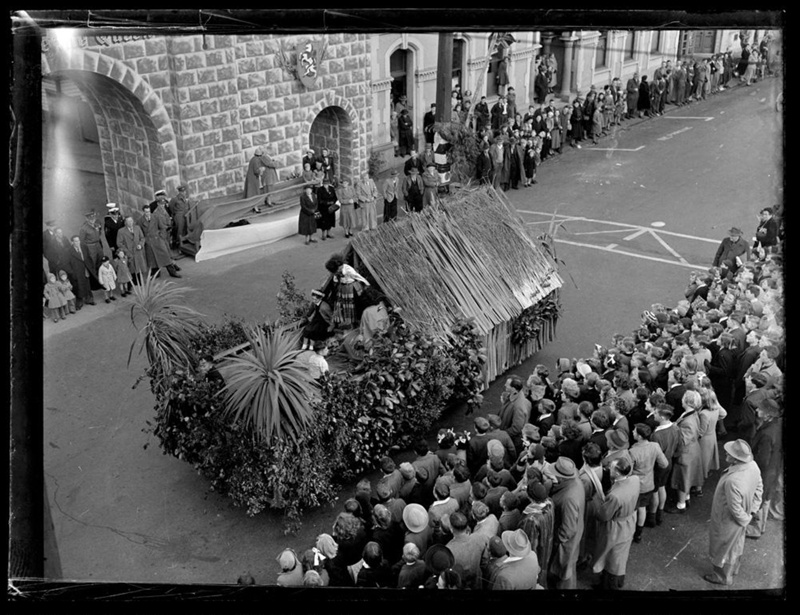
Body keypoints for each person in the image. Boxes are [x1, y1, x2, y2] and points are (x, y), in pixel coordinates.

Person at [704, 439, 763, 586]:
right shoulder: (753, 466)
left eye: (728, 453)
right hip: (744, 515)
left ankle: (721, 577)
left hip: (727, 519)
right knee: (736, 545)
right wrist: (752, 511)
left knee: (723, 547)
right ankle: (733, 570)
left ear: (736, 458)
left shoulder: (733, 480)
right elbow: (759, 488)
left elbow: (735, 508)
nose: (725, 453)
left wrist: (745, 519)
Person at [591, 458, 640, 590]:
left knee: (609, 556)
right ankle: (618, 580)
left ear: (618, 473)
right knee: (621, 555)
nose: (608, 469)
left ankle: (607, 584)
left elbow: (603, 515)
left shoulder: (615, 495)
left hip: (615, 528)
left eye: (612, 468)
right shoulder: (635, 480)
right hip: (629, 522)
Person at [547, 457, 585, 590]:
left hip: (565, 542)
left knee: (563, 572)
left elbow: (568, 529)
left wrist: (557, 540)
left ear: (561, 477)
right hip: (574, 534)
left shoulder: (569, 498)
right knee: (568, 567)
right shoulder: (576, 482)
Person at [746, 399, 782, 539]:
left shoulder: (766, 433)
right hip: (774, 468)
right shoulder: (777, 425)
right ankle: (762, 527)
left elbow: (762, 459)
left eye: (760, 409)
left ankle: (755, 530)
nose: (757, 411)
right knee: (766, 499)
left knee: (758, 498)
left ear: (767, 415)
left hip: (764, 472)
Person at [666, 390, 704, 514]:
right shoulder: (692, 414)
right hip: (693, 450)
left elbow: (682, 440)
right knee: (687, 477)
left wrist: (673, 428)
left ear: (687, 401)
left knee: (683, 479)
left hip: (686, 453)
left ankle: (680, 505)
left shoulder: (688, 421)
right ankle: (686, 498)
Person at [628, 423, 667, 543]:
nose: (632, 432)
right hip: (649, 484)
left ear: (639, 436)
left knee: (633, 511)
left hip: (635, 486)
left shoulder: (633, 451)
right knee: (642, 508)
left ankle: (631, 533)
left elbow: (628, 471)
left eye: (634, 431)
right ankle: (639, 534)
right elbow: (664, 464)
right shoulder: (654, 446)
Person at [140, 206, 180, 278]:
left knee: (165, 257)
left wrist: (161, 236)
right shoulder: (140, 221)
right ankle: (156, 273)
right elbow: (140, 233)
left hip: (158, 239)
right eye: (146, 212)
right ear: (143, 212)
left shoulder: (155, 217)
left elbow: (162, 227)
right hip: (149, 242)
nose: (148, 213)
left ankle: (172, 272)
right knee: (153, 259)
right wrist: (145, 240)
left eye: (149, 211)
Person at [65, 235, 98, 308]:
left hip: (86, 269)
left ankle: (89, 299)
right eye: (75, 241)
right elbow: (66, 263)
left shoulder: (84, 247)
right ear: (72, 242)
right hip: (77, 272)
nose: (77, 243)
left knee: (87, 285)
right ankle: (79, 302)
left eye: (78, 241)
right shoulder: (69, 251)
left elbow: (88, 257)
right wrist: (72, 273)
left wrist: (91, 267)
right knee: (78, 287)